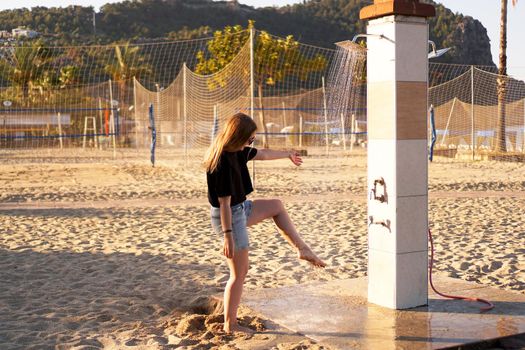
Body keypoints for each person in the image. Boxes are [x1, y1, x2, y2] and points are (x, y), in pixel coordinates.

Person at [204, 112, 326, 334]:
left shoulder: (238, 153)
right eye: (250, 139)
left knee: (276, 206)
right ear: (238, 136)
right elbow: (223, 204)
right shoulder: (221, 162)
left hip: (240, 208)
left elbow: (264, 154)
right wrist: (228, 236)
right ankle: (230, 325)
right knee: (239, 274)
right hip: (228, 217)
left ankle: (302, 249)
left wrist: (288, 153)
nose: (252, 143)